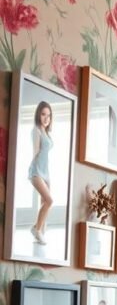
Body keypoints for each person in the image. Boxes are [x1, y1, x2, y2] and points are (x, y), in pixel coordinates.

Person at [28, 100, 54, 246]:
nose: (46, 118)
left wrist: (48, 177)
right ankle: (36, 230)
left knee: (45, 202)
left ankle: (40, 231)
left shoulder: (46, 132)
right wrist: (33, 171)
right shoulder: (36, 130)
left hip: (45, 172)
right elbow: (36, 152)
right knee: (50, 200)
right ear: (38, 114)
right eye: (43, 114)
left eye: (49, 116)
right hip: (36, 171)